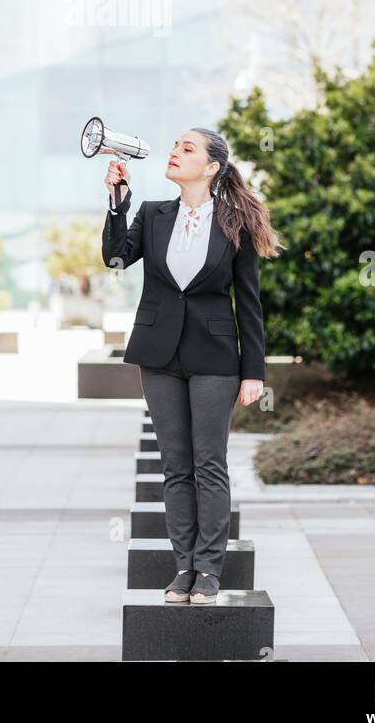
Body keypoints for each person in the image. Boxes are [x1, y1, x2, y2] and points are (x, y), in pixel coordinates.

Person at [102, 127, 282, 605]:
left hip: (215, 358)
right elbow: (116, 258)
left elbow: (250, 304)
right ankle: (183, 567)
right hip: (158, 356)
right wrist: (117, 203)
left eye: (187, 148)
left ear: (211, 167)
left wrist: (254, 371)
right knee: (175, 467)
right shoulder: (153, 214)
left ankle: (209, 570)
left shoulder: (233, 223)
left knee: (209, 465)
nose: (174, 151)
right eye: (174, 145)